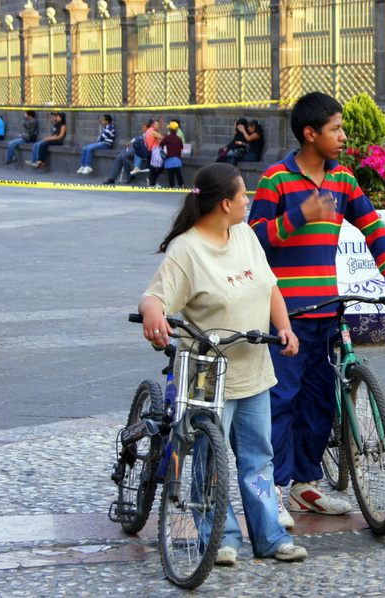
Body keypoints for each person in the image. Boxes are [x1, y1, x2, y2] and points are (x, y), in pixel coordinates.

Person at [247, 91, 385, 526]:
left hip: (328, 312)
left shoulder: (343, 179)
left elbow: (374, 227)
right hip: (285, 317)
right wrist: (299, 214)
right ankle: (273, 490)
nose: (343, 137)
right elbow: (253, 240)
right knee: (280, 402)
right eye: (336, 129)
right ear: (310, 133)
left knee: (319, 403)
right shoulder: (275, 180)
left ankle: (304, 484)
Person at [137, 162, 308, 566]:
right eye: (244, 195)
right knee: (208, 460)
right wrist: (153, 314)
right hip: (206, 374)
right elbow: (154, 297)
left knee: (258, 458)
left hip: (253, 367)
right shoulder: (187, 249)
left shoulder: (245, 235)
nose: (249, 200)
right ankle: (221, 536)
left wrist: (284, 328)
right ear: (225, 203)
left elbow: (270, 287)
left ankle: (269, 536)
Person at [159, 121, 185, 189]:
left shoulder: (167, 137)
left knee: (171, 173)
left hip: (169, 158)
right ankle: (182, 184)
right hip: (177, 158)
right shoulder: (179, 139)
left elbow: (161, 145)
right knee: (178, 172)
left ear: (170, 129)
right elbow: (181, 149)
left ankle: (171, 186)